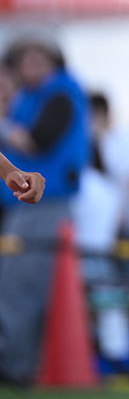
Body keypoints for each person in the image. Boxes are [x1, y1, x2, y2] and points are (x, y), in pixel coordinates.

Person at [0, 37, 90, 386]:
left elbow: (36, 139)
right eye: (26, 58)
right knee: (13, 283)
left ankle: (17, 366)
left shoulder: (60, 94)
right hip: (25, 204)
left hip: (45, 204)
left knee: (22, 284)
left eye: (39, 57)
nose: (31, 65)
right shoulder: (30, 97)